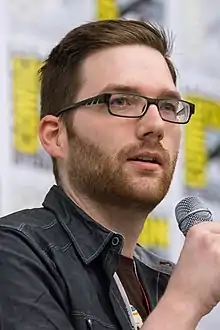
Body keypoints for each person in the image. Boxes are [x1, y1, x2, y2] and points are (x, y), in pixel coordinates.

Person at [0, 19, 220, 330]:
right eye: (121, 101)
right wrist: (185, 304)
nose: (156, 125)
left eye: (168, 106)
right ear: (56, 135)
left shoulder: (162, 280)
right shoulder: (15, 255)